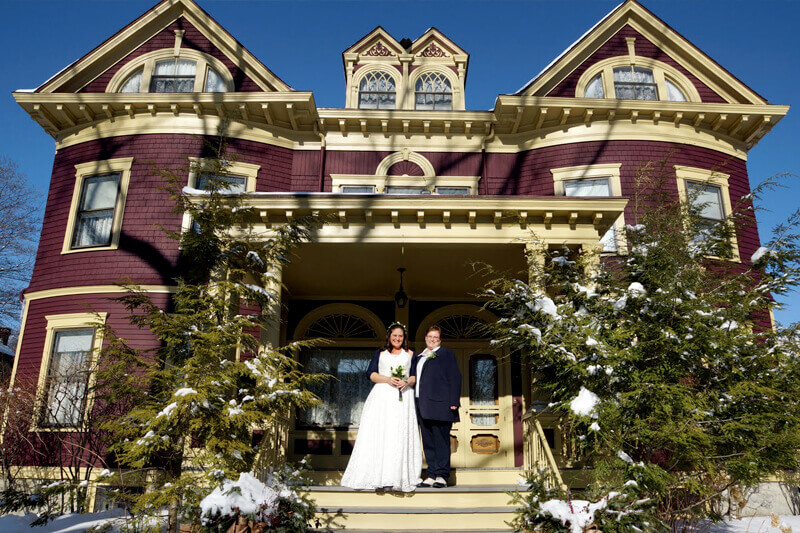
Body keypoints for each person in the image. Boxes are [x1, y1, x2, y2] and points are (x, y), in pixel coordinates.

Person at [340, 323, 422, 492]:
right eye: (395, 336)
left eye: (400, 336)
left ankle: (398, 476)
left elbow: (414, 376)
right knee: (382, 432)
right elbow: (370, 374)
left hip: (403, 397)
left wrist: (406, 382)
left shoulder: (411, 354)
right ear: (389, 337)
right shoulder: (380, 353)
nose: (397, 339)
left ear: (404, 337)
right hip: (382, 397)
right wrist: (388, 379)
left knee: (399, 433)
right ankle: (378, 475)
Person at [413, 324, 461, 488]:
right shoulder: (419, 357)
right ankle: (431, 474)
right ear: (425, 338)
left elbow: (455, 377)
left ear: (440, 340)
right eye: (429, 337)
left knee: (440, 441)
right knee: (428, 441)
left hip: (440, 405)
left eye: (435, 337)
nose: (432, 340)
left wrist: (454, 401)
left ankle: (442, 475)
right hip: (421, 405)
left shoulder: (446, 354)